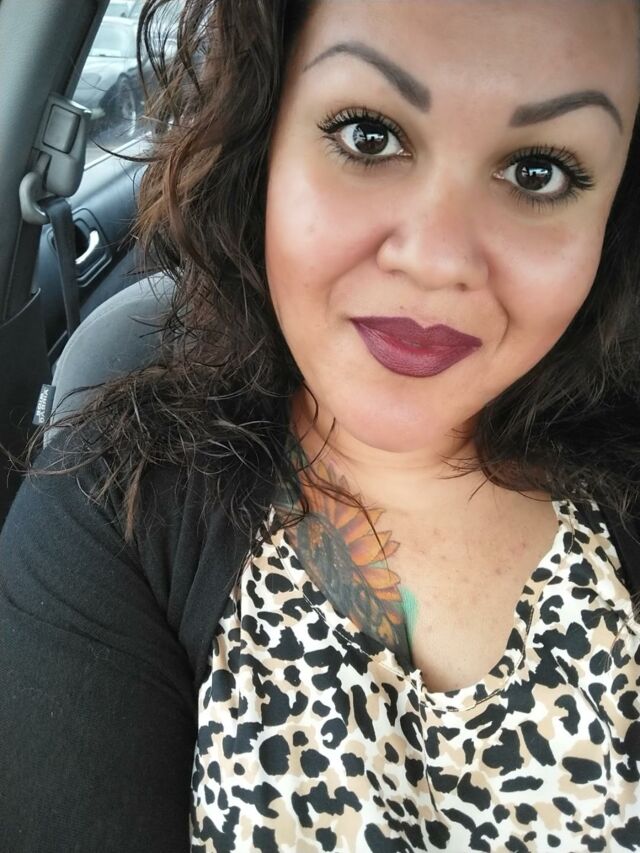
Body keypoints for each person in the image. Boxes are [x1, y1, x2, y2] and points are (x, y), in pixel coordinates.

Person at [1, 0, 640, 850]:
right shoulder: (112, 508)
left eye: (538, 172)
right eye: (370, 136)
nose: (437, 259)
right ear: (265, 145)